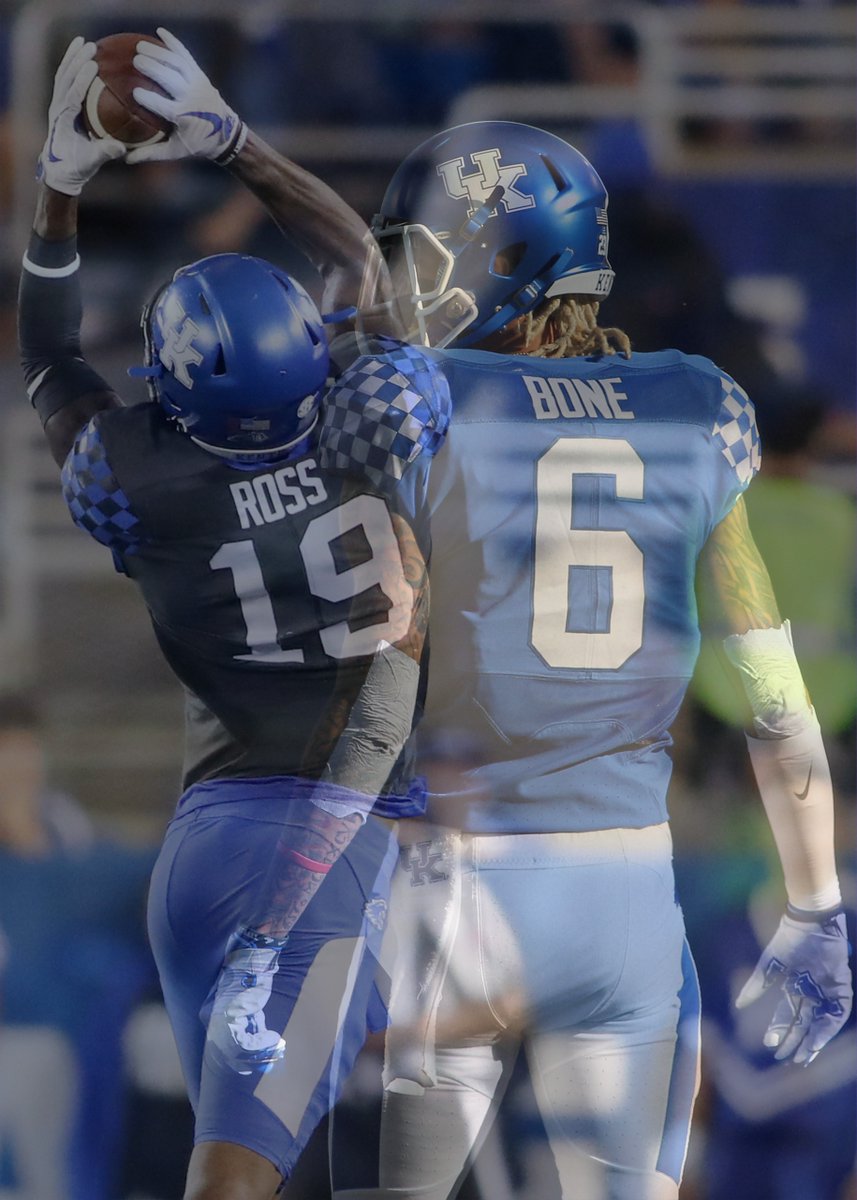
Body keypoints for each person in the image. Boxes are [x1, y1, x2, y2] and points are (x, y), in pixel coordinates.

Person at [126, 31, 852, 1200]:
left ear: (506, 260)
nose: (415, 279)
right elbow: (772, 698)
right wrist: (815, 902)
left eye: (435, 252)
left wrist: (239, 148)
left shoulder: (417, 394)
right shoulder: (695, 401)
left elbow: (348, 321)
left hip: (452, 886)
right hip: (623, 888)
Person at [19, 37, 435, 1200]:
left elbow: (49, 355)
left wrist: (58, 189)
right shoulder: (375, 420)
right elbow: (360, 264)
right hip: (320, 852)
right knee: (236, 1177)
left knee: (254, 1154)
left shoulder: (133, 476)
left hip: (205, 846)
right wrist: (235, 140)